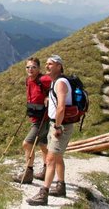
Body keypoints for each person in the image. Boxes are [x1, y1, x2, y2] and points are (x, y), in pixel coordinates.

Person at [27, 55, 74, 206]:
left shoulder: (60, 83)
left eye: (51, 64)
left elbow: (61, 107)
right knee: (58, 157)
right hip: (57, 123)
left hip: (60, 125)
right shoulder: (55, 82)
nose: (47, 66)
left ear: (59, 66)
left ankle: (43, 194)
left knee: (51, 159)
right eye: (46, 64)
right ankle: (61, 186)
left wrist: (58, 127)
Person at [12, 57, 50, 184]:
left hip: (42, 119)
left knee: (27, 144)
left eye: (33, 67)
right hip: (36, 117)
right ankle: (47, 170)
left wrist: (49, 97)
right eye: (28, 67)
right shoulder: (28, 80)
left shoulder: (44, 79)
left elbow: (59, 82)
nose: (30, 69)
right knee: (43, 145)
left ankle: (28, 173)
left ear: (39, 69)